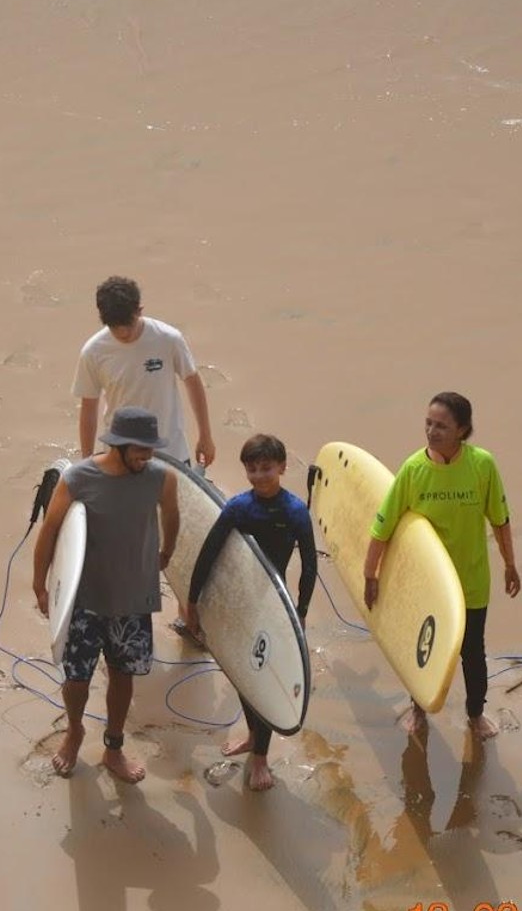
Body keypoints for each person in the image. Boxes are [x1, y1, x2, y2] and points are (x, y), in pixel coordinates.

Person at [32, 406, 179, 783]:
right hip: (86, 597)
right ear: (119, 444)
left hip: (132, 599)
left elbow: (172, 514)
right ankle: (75, 730)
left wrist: (166, 552)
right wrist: (40, 583)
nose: (148, 456)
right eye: (141, 450)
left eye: (151, 449)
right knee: (77, 678)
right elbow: (49, 531)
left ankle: (114, 747)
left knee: (123, 674)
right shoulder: (79, 478)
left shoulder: (160, 478)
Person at [364, 392, 520, 740]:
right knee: (424, 649)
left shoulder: (482, 465)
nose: (432, 431)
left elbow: (500, 519)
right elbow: (382, 527)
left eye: (442, 426)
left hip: (471, 579)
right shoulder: (413, 469)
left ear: (462, 430)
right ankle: (418, 709)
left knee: (473, 651)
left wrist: (510, 564)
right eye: (428, 423)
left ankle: (476, 714)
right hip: (426, 584)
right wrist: (370, 574)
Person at [182, 433, 317, 790]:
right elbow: (208, 554)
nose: (259, 475)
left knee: (265, 673)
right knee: (245, 675)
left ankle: (260, 757)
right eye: (252, 469)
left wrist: (300, 611)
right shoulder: (239, 508)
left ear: (282, 468)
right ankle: (255, 739)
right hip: (239, 605)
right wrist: (192, 602)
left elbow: (309, 566)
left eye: (266, 468)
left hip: (274, 607)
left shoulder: (294, 511)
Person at [72, 276, 216, 469]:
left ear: (139, 311)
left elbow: (192, 382)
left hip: (171, 452)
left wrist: (205, 436)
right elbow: (89, 406)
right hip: (119, 456)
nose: (124, 335)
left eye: (129, 327)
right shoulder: (93, 352)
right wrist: (86, 462)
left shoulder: (168, 339)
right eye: (116, 330)